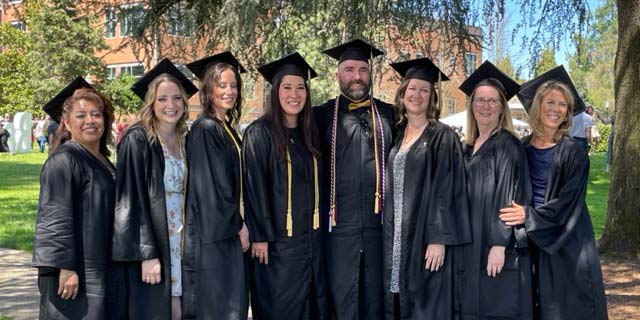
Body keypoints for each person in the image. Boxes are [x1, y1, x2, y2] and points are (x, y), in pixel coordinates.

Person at [505, 65, 608, 319]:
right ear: (538, 105)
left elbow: (568, 202)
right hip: (531, 238)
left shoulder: (574, 152)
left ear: (568, 112)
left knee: (568, 306)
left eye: (562, 104)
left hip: (568, 238)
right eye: (550, 102)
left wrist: (528, 216)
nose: (556, 109)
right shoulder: (522, 147)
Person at [383, 58, 471, 319]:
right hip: (396, 234)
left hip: (424, 236)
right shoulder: (397, 134)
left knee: (425, 301)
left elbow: (448, 189)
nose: (417, 95)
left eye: (424, 90)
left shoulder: (443, 136)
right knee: (397, 297)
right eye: (412, 88)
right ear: (403, 93)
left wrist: (438, 239)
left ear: (432, 97)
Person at [314, 39, 395, 319]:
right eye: (349, 69)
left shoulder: (389, 115)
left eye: (363, 69)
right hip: (338, 228)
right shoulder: (321, 117)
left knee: (376, 296)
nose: (357, 76)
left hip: (379, 228)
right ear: (338, 75)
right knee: (341, 297)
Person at [112, 58, 199, 320]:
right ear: (151, 102)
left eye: (176, 98)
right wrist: (146, 253)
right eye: (162, 99)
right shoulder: (137, 139)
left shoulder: (186, 139)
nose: (170, 105)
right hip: (156, 242)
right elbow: (130, 200)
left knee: (180, 311)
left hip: (182, 241)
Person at [244, 52, 329, 319]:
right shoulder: (260, 133)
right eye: (287, 87)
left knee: (312, 305)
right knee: (279, 308)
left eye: (301, 87)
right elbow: (253, 188)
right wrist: (260, 236)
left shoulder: (311, 134)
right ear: (275, 91)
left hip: (311, 243)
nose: (295, 94)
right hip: (276, 246)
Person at [454, 61, 533, 319]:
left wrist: (499, 244)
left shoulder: (508, 145)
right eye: (480, 100)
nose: (485, 106)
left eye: (492, 101)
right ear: (471, 105)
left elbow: (508, 197)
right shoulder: (468, 147)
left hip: (494, 245)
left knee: (496, 306)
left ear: (501, 108)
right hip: (471, 243)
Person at [32, 77, 116, 319]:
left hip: (97, 266)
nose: (90, 120)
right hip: (74, 271)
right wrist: (66, 268)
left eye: (96, 114)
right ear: (67, 123)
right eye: (81, 115)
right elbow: (54, 216)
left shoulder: (101, 160)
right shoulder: (64, 160)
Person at [182, 51, 250, 319]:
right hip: (213, 239)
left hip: (224, 235)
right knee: (219, 308)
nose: (229, 91)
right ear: (208, 89)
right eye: (222, 85)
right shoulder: (205, 129)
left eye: (233, 85)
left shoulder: (225, 127)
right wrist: (238, 226)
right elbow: (212, 190)